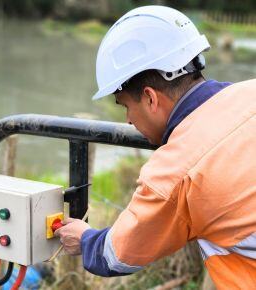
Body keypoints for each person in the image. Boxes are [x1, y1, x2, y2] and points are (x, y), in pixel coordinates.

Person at [54, 5, 256, 289]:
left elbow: (116, 255)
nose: (127, 119)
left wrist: (85, 239)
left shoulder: (175, 171)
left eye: (125, 105)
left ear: (150, 98)